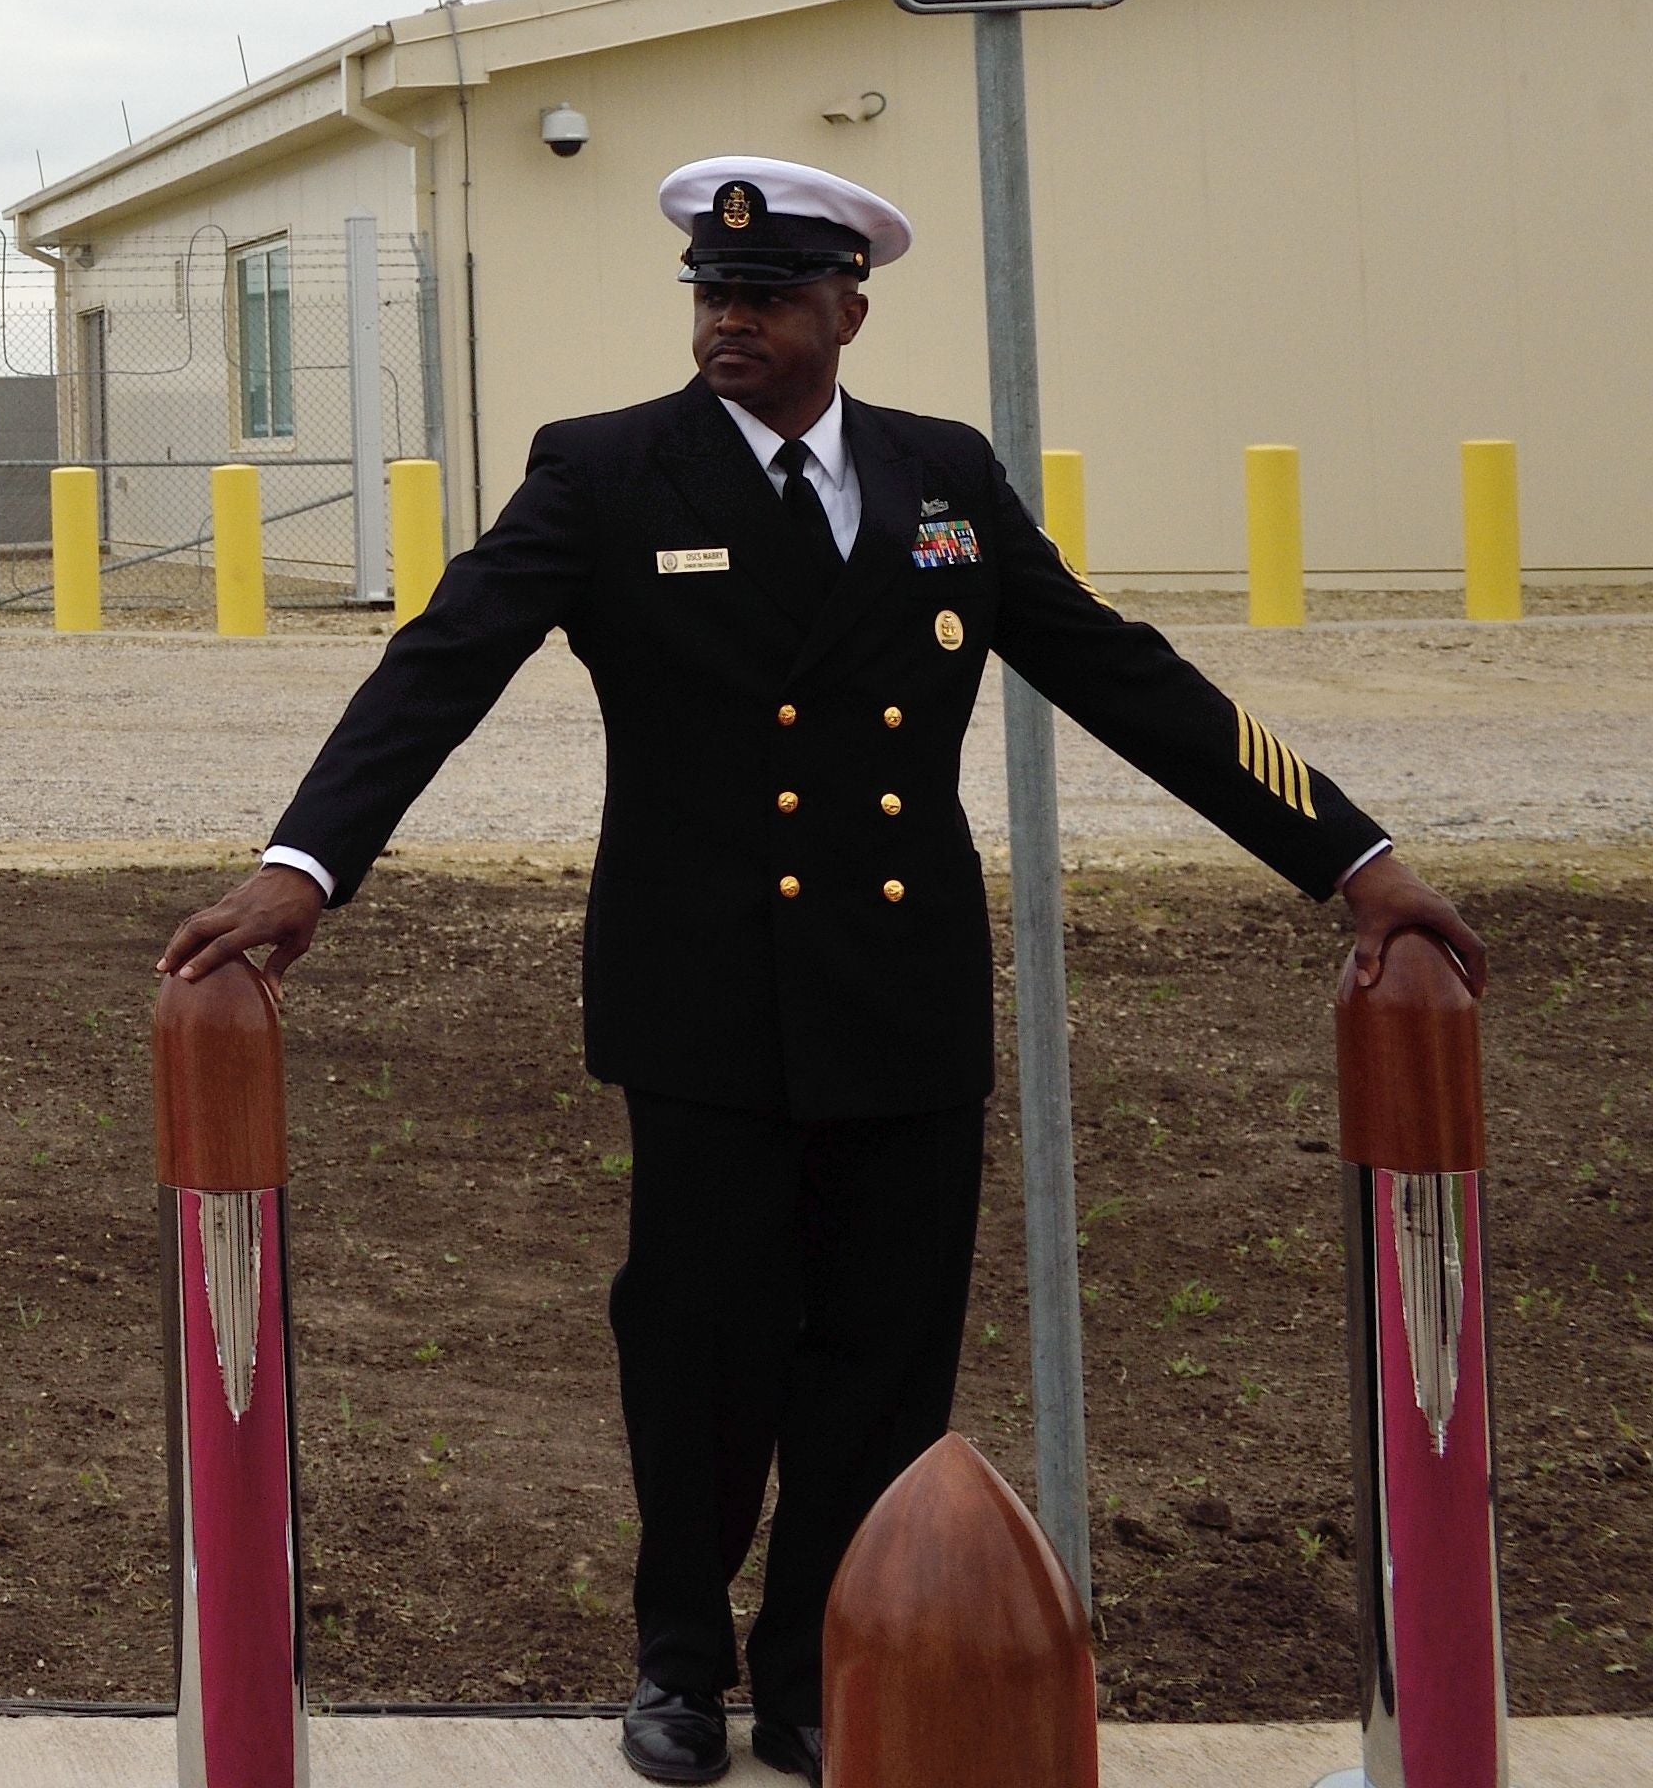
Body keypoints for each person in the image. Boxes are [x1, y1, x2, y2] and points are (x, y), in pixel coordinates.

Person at [157, 156, 1481, 1783]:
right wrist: (307, 868)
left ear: (848, 310)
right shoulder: (606, 473)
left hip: (899, 996)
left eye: (772, 299)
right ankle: (677, 1663)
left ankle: (819, 1670)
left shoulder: (943, 480)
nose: (734, 323)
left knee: (880, 1359)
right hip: (701, 999)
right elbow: (439, 664)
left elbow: (1128, 675)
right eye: (715, 298)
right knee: (699, 1346)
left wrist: (1352, 859)